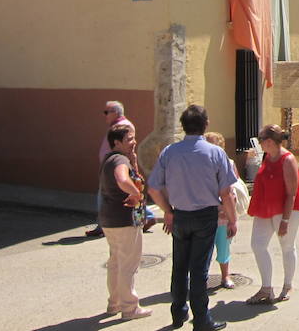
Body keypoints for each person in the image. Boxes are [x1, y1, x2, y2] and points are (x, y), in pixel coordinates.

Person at [147, 105, 237, 331]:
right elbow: (226, 192)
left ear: (183, 126)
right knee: (199, 270)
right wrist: (233, 220)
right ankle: (202, 319)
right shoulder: (215, 153)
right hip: (206, 215)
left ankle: (178, 314)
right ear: (205, 124)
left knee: (179, 267)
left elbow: (153, 188)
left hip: (181, 215)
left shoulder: (169, 152)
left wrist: (168, 210)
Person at [246, 125, 299, 305]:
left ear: (268, 142)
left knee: (287, 246)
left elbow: (292, 193)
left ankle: (288, 285)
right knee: (257, 245)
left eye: (261, 142)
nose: (260, 146)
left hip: (285, 210)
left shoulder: (287, 160)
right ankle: (266, 288)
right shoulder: (268, 157)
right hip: (265, 207)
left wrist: (285, 220)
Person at [100, 124, 152, 320]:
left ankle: (114, 304)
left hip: (110, 219)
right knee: (128, 265)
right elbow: (123, 179)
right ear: (117, 142)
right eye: (129, 139)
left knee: (115, 262)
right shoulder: (120, 160)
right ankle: (130, 308)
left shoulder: (111, 159)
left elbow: (133, 178)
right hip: (124, 219)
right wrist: (136, 194)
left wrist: (134, 162)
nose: (134, 142)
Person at [87, 101, 137, 238]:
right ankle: (102, 224)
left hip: (114, 169)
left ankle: (102, 225)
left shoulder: (123, 127)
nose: (105, 116)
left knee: (106, 195)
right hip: (110, 168)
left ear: (115, 112)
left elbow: (123, 179)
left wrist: (136, 193)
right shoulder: (117, 127)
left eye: (106, 112)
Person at [203, 132, 241, 290]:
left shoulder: (229, 163)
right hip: (206, 212)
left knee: (223, 245)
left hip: (224, 214)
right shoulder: (200, 164)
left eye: (213, 144)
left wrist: (231, 214)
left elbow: (236, 185)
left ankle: (225, 276)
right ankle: (202, 277)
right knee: (204, 248)